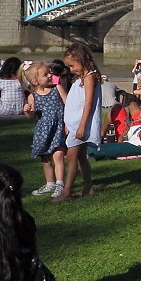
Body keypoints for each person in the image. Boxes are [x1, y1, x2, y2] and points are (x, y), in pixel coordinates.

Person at [54, 43, 102, 202]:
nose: (71, 69)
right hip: (75, 124)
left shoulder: (89, 78)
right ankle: (88, 187)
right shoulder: (82, 78)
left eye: (72, 65)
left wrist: (82, 125)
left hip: (80, 125)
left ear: (82, 60)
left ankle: (66, 192)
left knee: (71, 156)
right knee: (81, 157)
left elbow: (88, 103)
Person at [27, 62, 68, 198]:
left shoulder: (57, 89)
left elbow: (67, 103)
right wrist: (27, 111)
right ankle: (50, 183)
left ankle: (60, 184)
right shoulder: (33, 96)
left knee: (58, 155)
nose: (50, 75)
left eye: (50, 72)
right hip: (43, 130)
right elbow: (32, 116)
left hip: (58, 127)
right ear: (35, 81)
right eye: (46, 74)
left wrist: (67, 124)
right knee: (45, 158)